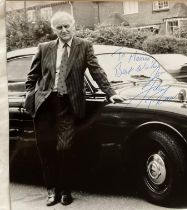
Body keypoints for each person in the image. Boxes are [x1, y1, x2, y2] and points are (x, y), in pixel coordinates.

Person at [24, 11, 125, 206]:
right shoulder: (44, 48)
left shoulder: (84, 46)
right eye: (59, 27)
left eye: (66, 26)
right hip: (44, 105)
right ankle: (51, 191)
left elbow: (96, 70)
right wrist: (31, 95)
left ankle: (66, 191)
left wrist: (110, 92)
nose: (64, 30)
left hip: (68, 105)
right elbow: (32, 76)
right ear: (54, 30)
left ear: (73, 25)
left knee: (65, 148)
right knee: (45, 149)